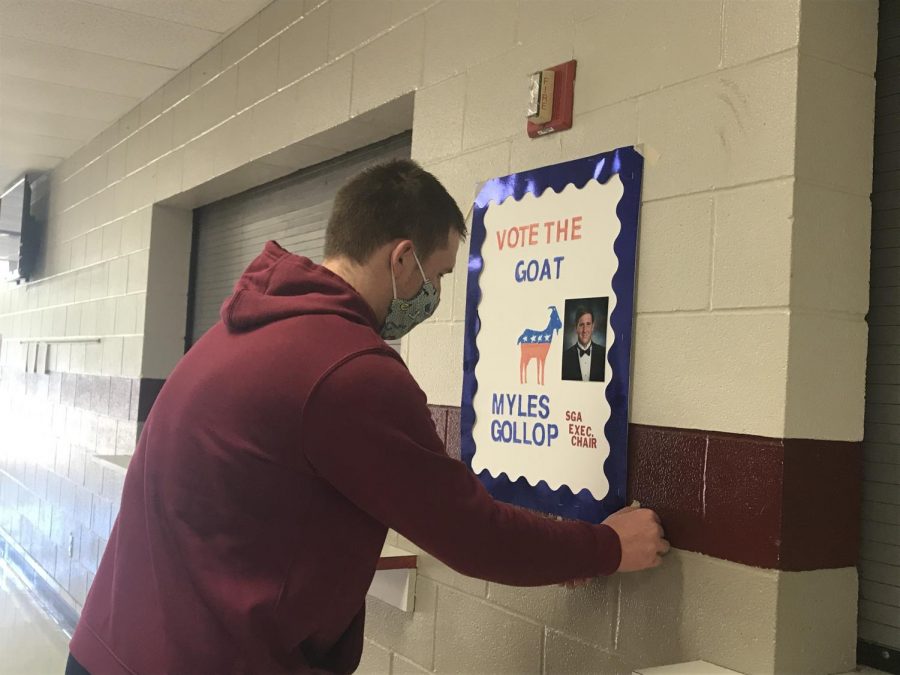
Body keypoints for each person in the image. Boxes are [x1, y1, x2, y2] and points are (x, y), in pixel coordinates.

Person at [67, 160, 668, 675]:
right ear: (402, 259)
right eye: (436, 275)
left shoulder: (239, 329)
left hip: (113, 645)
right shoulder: (350, 369)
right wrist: (606, 547)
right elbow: (472, 534)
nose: (433, 294)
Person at [561, 306, 606, 382]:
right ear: (576, 328)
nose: (585, 330)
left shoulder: (604, 354)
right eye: (581, 325)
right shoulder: (565, 357)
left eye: (588, 324)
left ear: (593, 327)